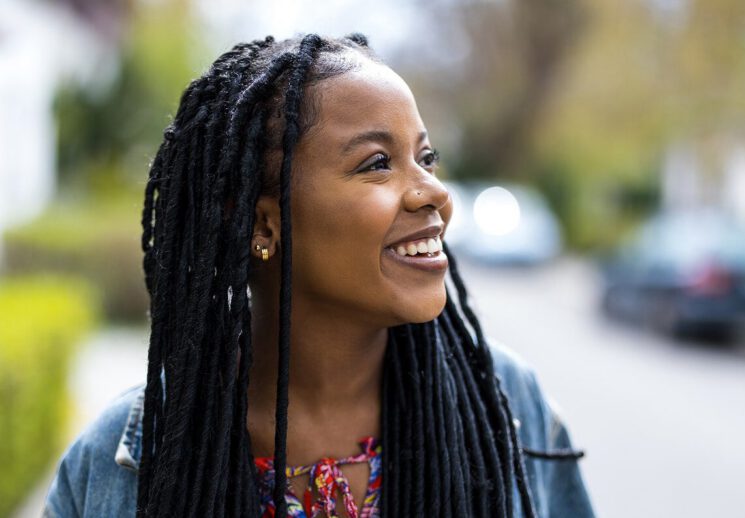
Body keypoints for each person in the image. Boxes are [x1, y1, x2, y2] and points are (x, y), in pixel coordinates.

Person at [43, 33, 595, 518]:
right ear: (263, 223)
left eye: (425, 158)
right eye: (378, 163)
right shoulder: (118, 459)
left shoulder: (506, 405)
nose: (434, 192)